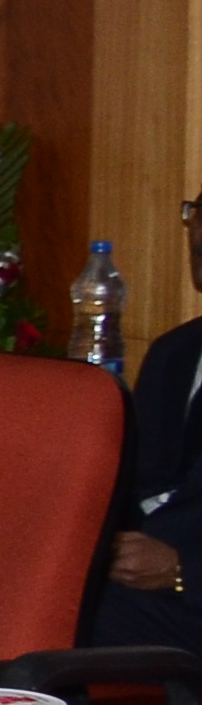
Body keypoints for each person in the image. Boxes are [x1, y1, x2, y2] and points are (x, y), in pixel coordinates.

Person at [94, 187, 202, 652]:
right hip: (134, 590)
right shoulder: (175, 353)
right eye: (199, 213)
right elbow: (137, 485)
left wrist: (182, 571)